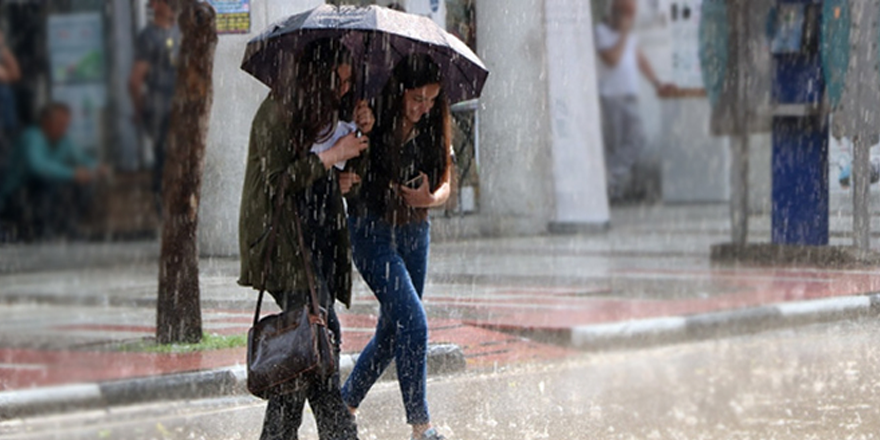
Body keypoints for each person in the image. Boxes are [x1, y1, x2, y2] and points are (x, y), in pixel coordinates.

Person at [238, 38, 373, 440]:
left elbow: (314, 175)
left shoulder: (321, 112)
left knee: (309, 359)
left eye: (350, 83)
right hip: (285, 249)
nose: (345, 90)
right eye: (340, 81)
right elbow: (281, 182)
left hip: (316, 248)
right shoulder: (276, 112)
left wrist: (347, 159)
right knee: (315, 356)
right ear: (317, 76)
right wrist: (332, 158)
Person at [342, 55, 452, 440]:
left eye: (431, 99)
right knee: (414, 323)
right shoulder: (374, 114)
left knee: (393, 332)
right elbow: (351, 167)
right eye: (417, 98)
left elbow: (446, 183)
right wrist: (362, 129)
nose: (423, 107)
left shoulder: (435, 124)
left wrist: (430, 199)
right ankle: (421, 427)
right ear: (401, 90)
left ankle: (344, 405)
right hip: (371, 232)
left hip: (414, 232)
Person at [595, 0, 675, 202]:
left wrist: (657, 83)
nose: (629, 21)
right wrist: (622, 34)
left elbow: (640, 60)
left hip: (628, 96)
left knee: (636, 138)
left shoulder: (629, 37)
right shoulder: (602, 32)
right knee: (617, 143)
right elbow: (612, 59)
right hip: (611, 96)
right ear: (616, 14)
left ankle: (610, 177)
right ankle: (611, 185)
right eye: (626, 16)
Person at [0, 103, 107, 239]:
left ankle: (65, 226)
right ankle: (41, 231)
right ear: (45, 122)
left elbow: (81, 158)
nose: (64, 129)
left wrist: (97, 168)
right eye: (60, 124)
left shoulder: (63, 141)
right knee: (45, 183)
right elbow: (38, 167)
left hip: (46, 197)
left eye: (66, 125)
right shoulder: (31, 137)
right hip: (17, 196)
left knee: (82, 185)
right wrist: (73, 173)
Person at [128, 0, 181, 212]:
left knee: (182, 160)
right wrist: (141, 108)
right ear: (155, 5)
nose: (172, 5)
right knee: (165, 159)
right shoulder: (149, 37)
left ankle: (179, 209)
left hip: (182, 107)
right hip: (161, 107)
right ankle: (165, 212)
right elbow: (135, 80)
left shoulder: (182, 33)